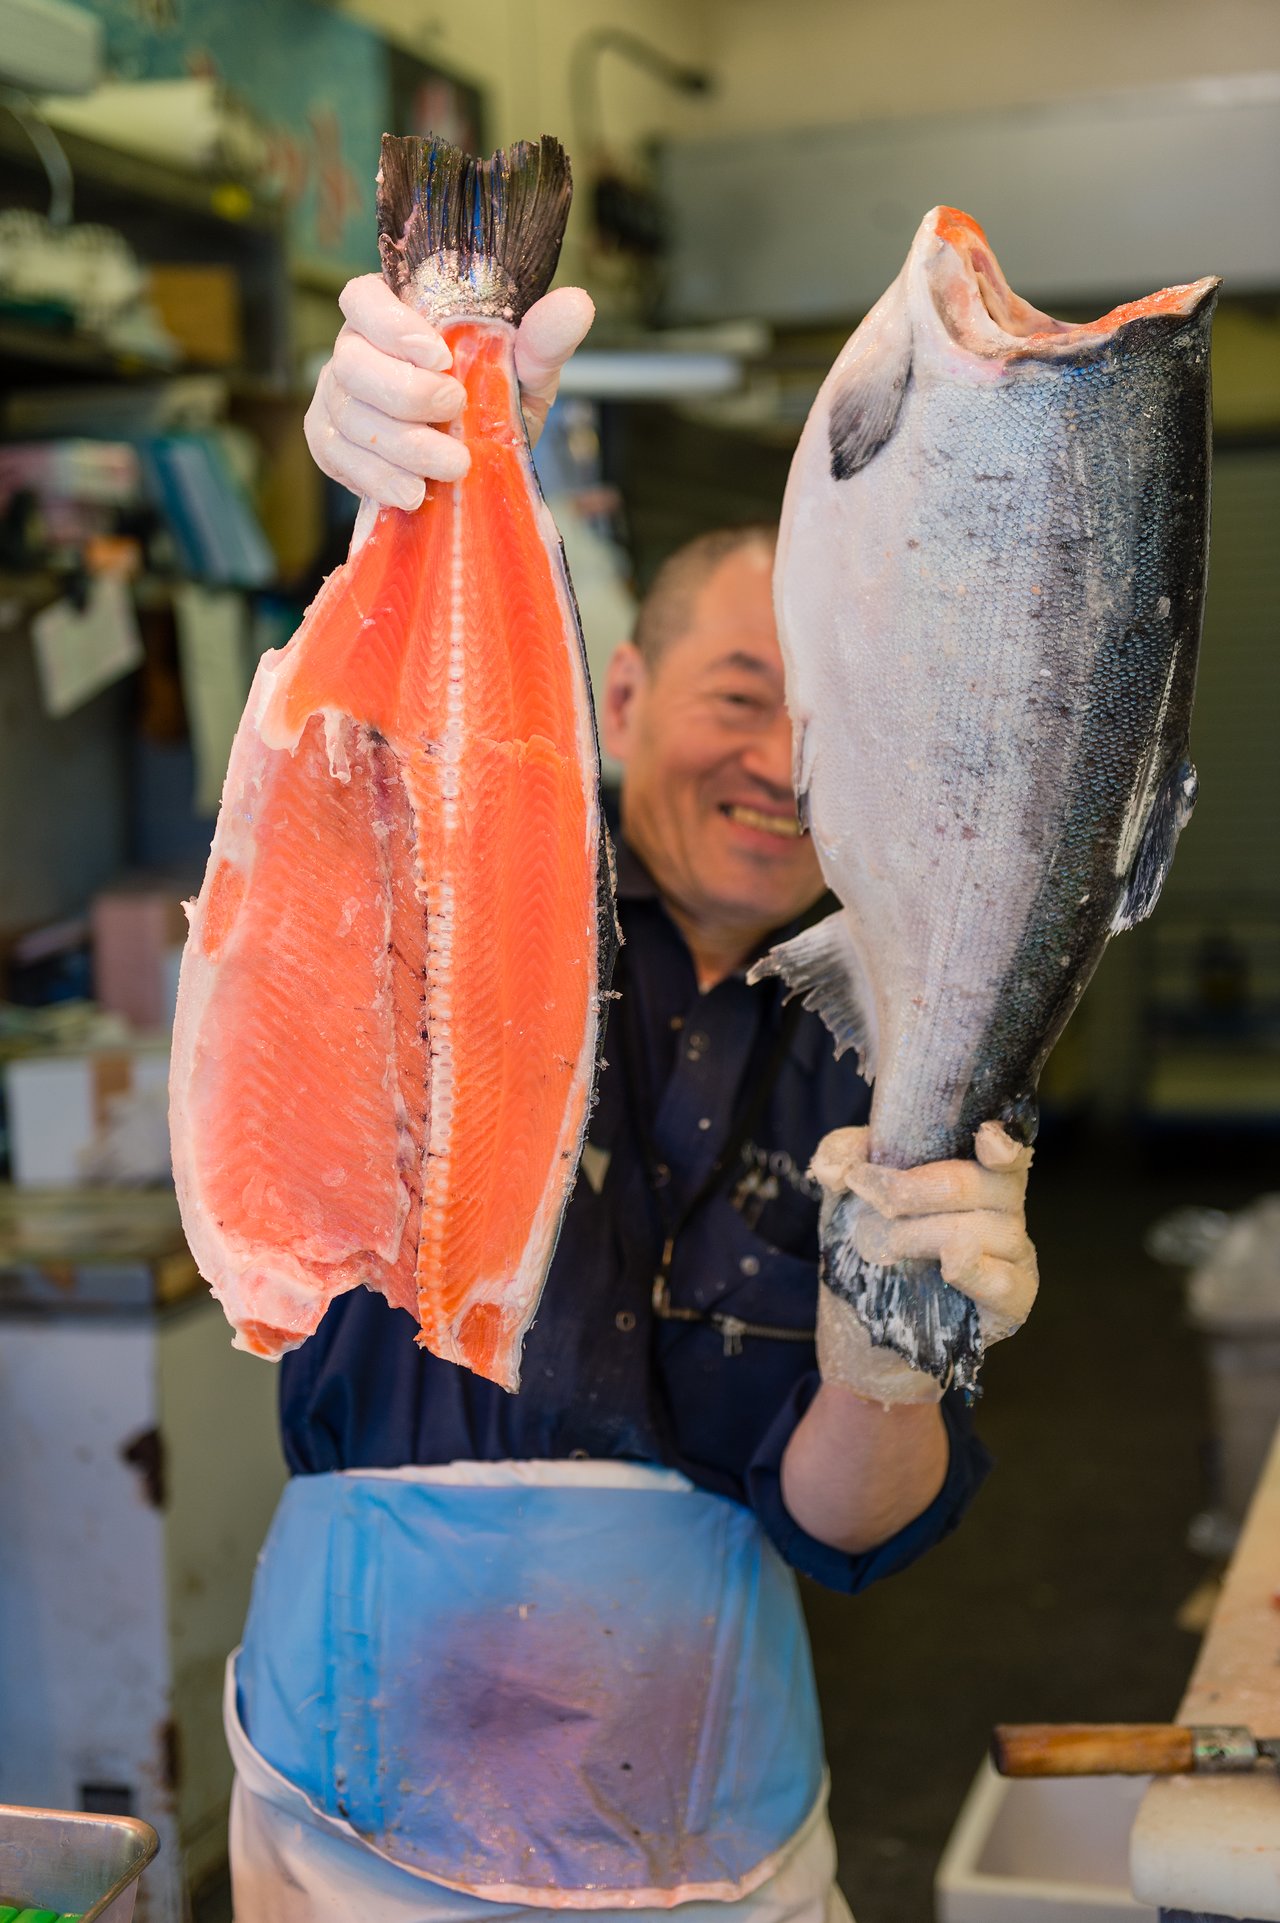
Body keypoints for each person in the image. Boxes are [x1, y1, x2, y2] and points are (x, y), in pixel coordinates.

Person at [224, 276, 1039, 1923]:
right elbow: (346, 770)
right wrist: (394, 466)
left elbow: (845, 1527)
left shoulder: (923, 1042)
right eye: (743, 695)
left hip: (716, 1842)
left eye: (833, 723)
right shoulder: (458, 886)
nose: (784, 765)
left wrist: (890, 1365)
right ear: (619, 701)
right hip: (344, 1819)